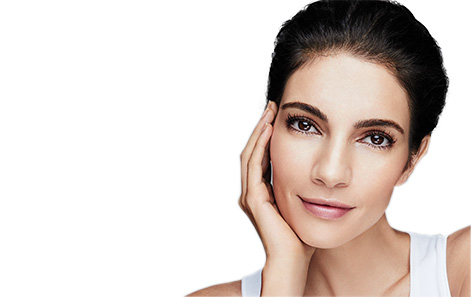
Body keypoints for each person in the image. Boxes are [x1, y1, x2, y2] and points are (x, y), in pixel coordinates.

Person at [188, 0, 470, 296]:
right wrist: (284, 272)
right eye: (305, 125)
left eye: (375, 138)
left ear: (412, 159)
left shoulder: (461, 269)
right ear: (266, 131)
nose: (331, 173)